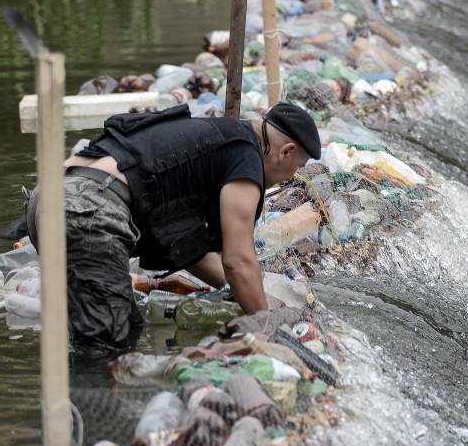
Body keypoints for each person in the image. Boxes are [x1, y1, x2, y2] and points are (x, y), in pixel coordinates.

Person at [25, 103, 320, 357]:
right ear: (286, 150)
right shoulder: (247, 156)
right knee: (106, 342)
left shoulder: (216, 141)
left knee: (117, 327)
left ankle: (81, 408)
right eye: (298, 166)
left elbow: (195, 254)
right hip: (90, 209)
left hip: (51, 197)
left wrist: (242, 292)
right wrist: (267, 327)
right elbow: (238, 261)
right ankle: (96, 415)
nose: (288, 178)